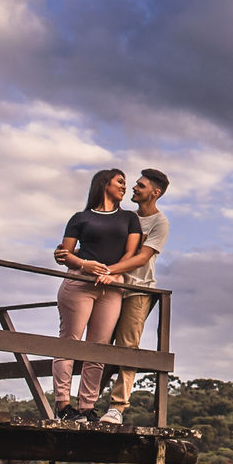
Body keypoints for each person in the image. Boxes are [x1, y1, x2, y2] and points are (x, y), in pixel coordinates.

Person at [51, 169, 141, 422]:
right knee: (69, 341)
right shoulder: (80, 218)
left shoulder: (129, 218)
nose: (125, 187)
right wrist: (86, 265)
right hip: (79, 283)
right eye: (120, 182)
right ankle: (63, 405)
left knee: (99, 348)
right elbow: (64, 254)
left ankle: (87, 407)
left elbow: (131, 256)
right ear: (104, 183)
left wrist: (111, 273)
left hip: (111, 287)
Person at [94, 168, 171, 425]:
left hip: (138, 290)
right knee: (99, 344)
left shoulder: (159, 223)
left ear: (155, 192)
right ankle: (88, 402)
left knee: (127, 346)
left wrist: (110, 270)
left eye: (140, 185)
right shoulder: (125, 217)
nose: (134, 188)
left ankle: (117, 407)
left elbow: (143, 257)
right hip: (111, 288)